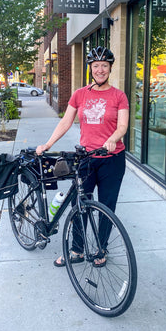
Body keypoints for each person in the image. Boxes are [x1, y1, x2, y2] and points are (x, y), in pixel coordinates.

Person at [36, 46, 129, 268]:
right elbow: (66, 122)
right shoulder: (80, 94)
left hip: (112, 159)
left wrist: (113, 138)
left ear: (110, 69)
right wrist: (48, 143)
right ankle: (76, 249)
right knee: (79, 204)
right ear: (90, 68)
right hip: (86, 159)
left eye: (104, 66)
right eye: (96, 66)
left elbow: (123, 125)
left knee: (106, 207)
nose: (100, 70)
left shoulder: (118, 95)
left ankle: (101, 249)